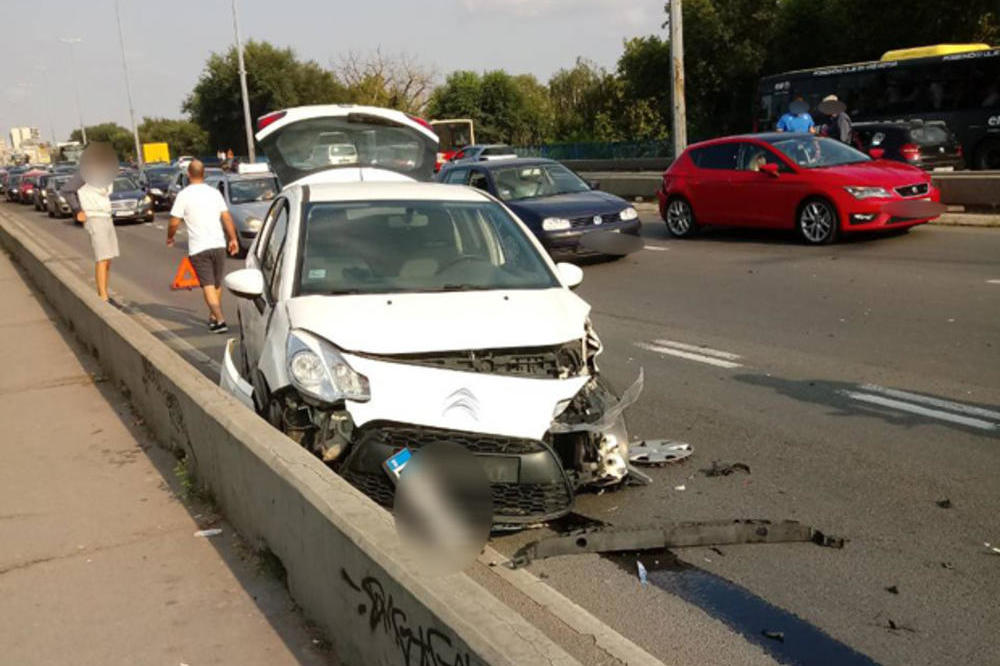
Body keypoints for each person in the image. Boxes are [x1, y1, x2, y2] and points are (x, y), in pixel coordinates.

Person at [166, 159, 239, 333]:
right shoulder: (214, 193)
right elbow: (226, 217)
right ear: (204, 174)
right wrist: (233, 238)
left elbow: (174, 221)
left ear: (188, 175)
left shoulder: (184, 195)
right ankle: (213, 317)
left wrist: (170, 237)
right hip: (218, 244)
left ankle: (220, 320)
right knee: (216, 284)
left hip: (199, 247)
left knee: (207, 284)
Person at [62, 143, 120, 302]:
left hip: (106, 217)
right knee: (101, 258)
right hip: (94, 218)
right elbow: (67, 190)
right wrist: (77, 210)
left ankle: (105, 292)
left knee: (108, 259)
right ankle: (103, 297)